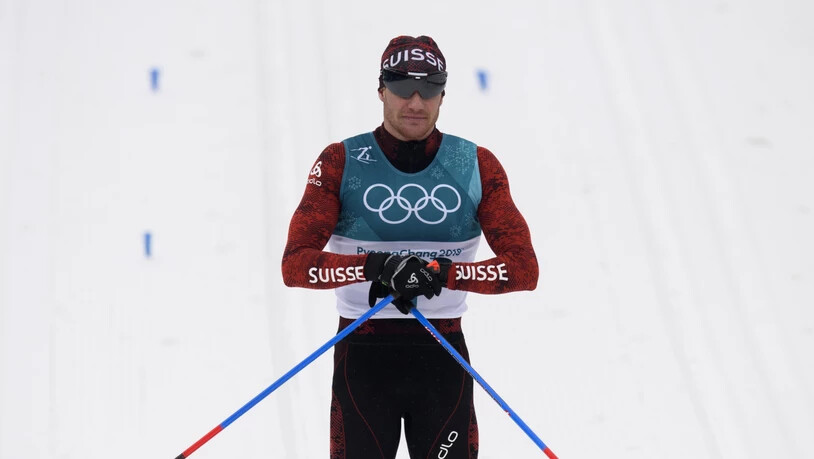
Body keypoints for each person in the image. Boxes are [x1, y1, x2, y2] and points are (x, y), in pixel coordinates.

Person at [282, 35, 538, 459]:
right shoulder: (340, 161)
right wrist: (376, 267)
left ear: (443, 95)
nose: (416, 102)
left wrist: (441, 273)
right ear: (381, 90)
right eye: (402, 89)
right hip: (362, 355)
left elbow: (523, 269)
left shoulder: (475, 164)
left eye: (430, 89)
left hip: (441, 353)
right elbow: (296, 265)